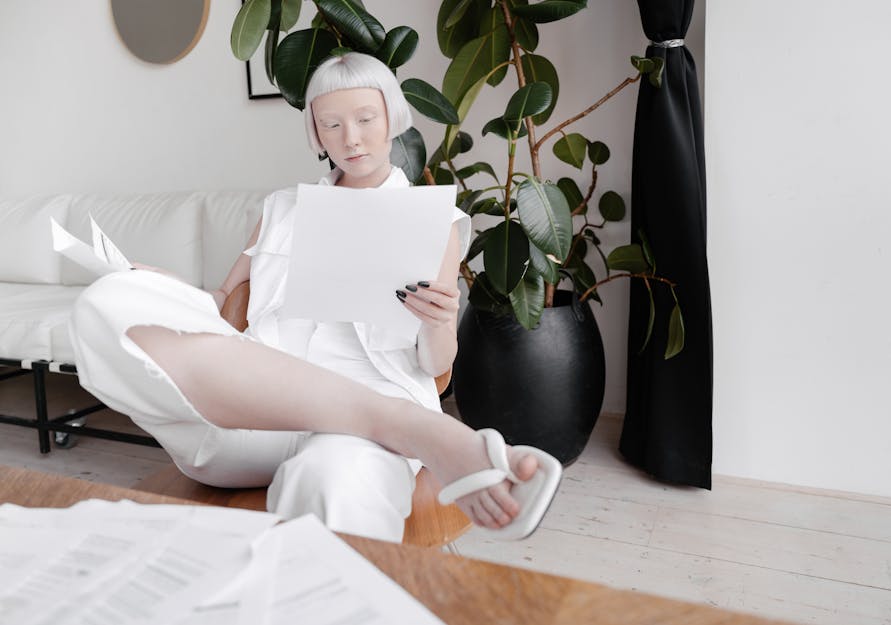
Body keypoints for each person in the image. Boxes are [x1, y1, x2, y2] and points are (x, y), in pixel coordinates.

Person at [69, 52, 560, 543]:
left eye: (366, 119)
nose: (351, 138)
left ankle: (388, 431)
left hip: (360, 430)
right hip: (252, 417)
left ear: (392, 116)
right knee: (104, 304)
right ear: (316, 133)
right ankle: (412, 428)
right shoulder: (282, 207)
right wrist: (157, 288)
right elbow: (220, 304)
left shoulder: (434, 221)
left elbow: (435, 365)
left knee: (332, 482)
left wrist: (437, 323)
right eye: (331, 124)